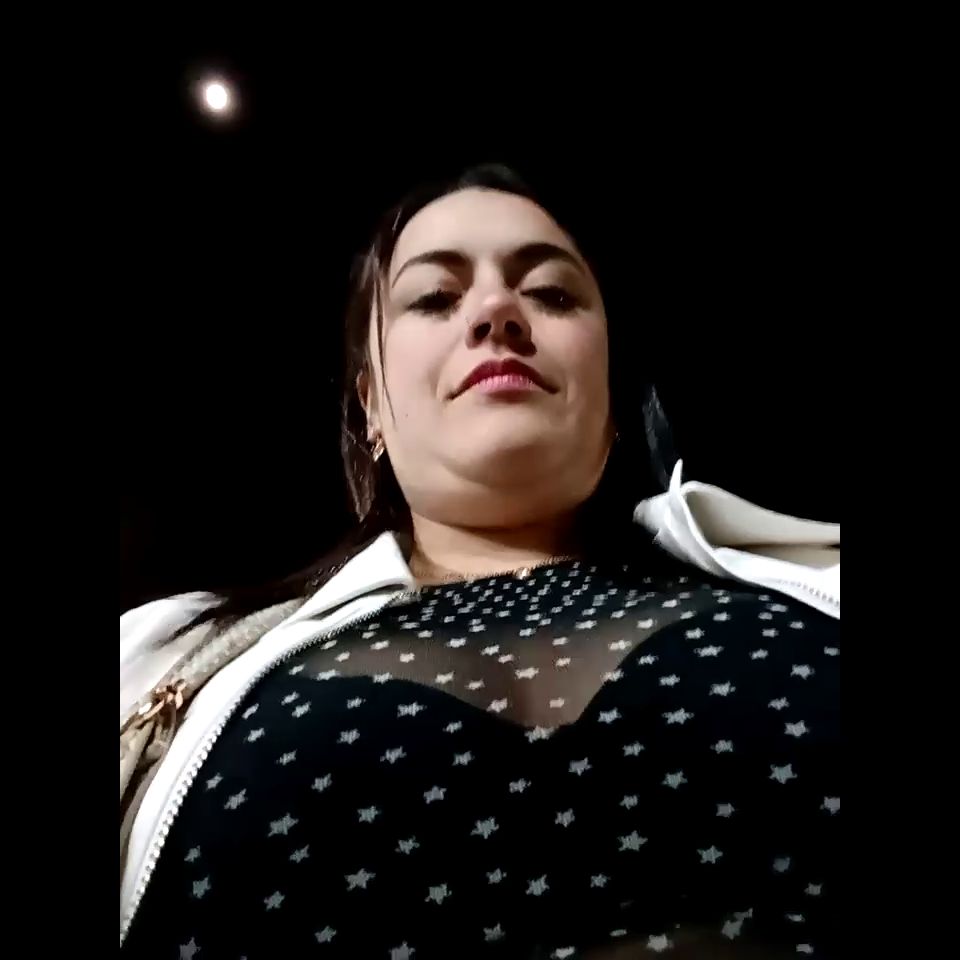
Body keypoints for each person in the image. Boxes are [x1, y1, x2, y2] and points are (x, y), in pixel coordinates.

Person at [120, 165, 840, 959]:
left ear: (611, 391)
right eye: (435, 297)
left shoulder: (814, 583)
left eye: (552, 294)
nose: (497, 311)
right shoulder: (155, 654)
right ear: (370, 405)